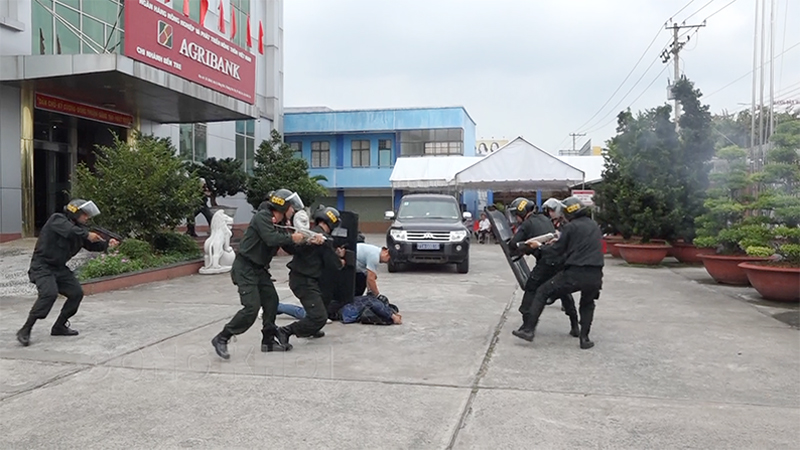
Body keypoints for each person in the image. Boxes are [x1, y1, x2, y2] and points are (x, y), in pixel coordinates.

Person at [210, 189, 321, 360]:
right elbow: (271, 238)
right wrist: (293, 238)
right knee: (251, 308)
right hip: (245, 267)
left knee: (271, 302)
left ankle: (268, 340)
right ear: (282, 206)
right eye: (291, 207)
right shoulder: (263, 217)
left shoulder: (280, 223)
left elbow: (289, 246)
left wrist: (309, 241)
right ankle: (222, 337)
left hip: (260, 270)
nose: (293, 211)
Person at [16, 199, 119, 346]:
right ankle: (25, 329)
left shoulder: (80, 230)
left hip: (59, 268)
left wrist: (107, 244)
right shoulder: (57, 220)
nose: (87, 218)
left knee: (76, 293)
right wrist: (87, 234)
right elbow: (71, 231)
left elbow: (91, 245)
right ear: (74, 212)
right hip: (42, 266)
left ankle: (59, 326)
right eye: (84, 214)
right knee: (49, 294)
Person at [517, 196, 604, 349]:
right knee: (587, 303)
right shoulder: (594, 225)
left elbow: (556, 251)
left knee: (543, 291)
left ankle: (529, 330)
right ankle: (584, 338)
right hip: (596, 274)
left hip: (575, 273)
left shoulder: (570, 227)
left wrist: (538, 246)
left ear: (569, 213)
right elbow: (580, 244)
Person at [506, 197, 579, 340]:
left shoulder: (527, 224)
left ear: (521, 212)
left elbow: (513, 244)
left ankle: (527, 328)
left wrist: (519, 247)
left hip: (547, 261)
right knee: (563, 291)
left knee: (531, 289)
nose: (516, 217)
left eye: (516, 214)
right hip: (560, 259)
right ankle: (575, 326)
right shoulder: (545, 219)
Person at [275, 206, 347, 350]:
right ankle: (285, 331)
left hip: (303, 278)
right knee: (319, 317)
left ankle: (311, 329)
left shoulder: (311, 235)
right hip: (304, 281)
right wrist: (341, 260)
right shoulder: (323, 240)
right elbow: (334, 265)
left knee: (320, 305)